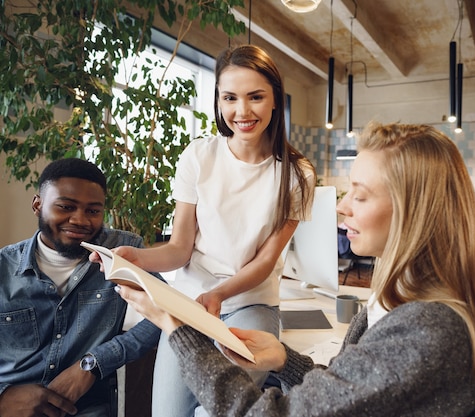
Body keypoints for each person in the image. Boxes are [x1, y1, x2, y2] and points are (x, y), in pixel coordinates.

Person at [116, 121, 475, 416]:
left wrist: (177, 328)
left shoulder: (427, 330)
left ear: (413, 210)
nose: (342, 206)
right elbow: (354, 393)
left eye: (360, 196)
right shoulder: (403, 302)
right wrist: (285, 361)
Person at [103, 44, 316, 417]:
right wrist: (138, 258)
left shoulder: (298, 174)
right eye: (229, 97)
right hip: (187, 304)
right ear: (218, 100)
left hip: (251, 302)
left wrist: (218, 293)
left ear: (275, 101)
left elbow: (267, 260)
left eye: (255, 97)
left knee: (222, 410)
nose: (242, 111)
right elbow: (180, 248)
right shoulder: (198, 156)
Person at [0, 158, 161, 417]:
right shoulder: (3, 268)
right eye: (66, 207)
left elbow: (164, 314)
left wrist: (94, 363)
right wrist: (4, 396)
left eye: (93, 211)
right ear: (37, 204)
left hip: (87, 408)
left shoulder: (122, 252)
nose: (79, 220)